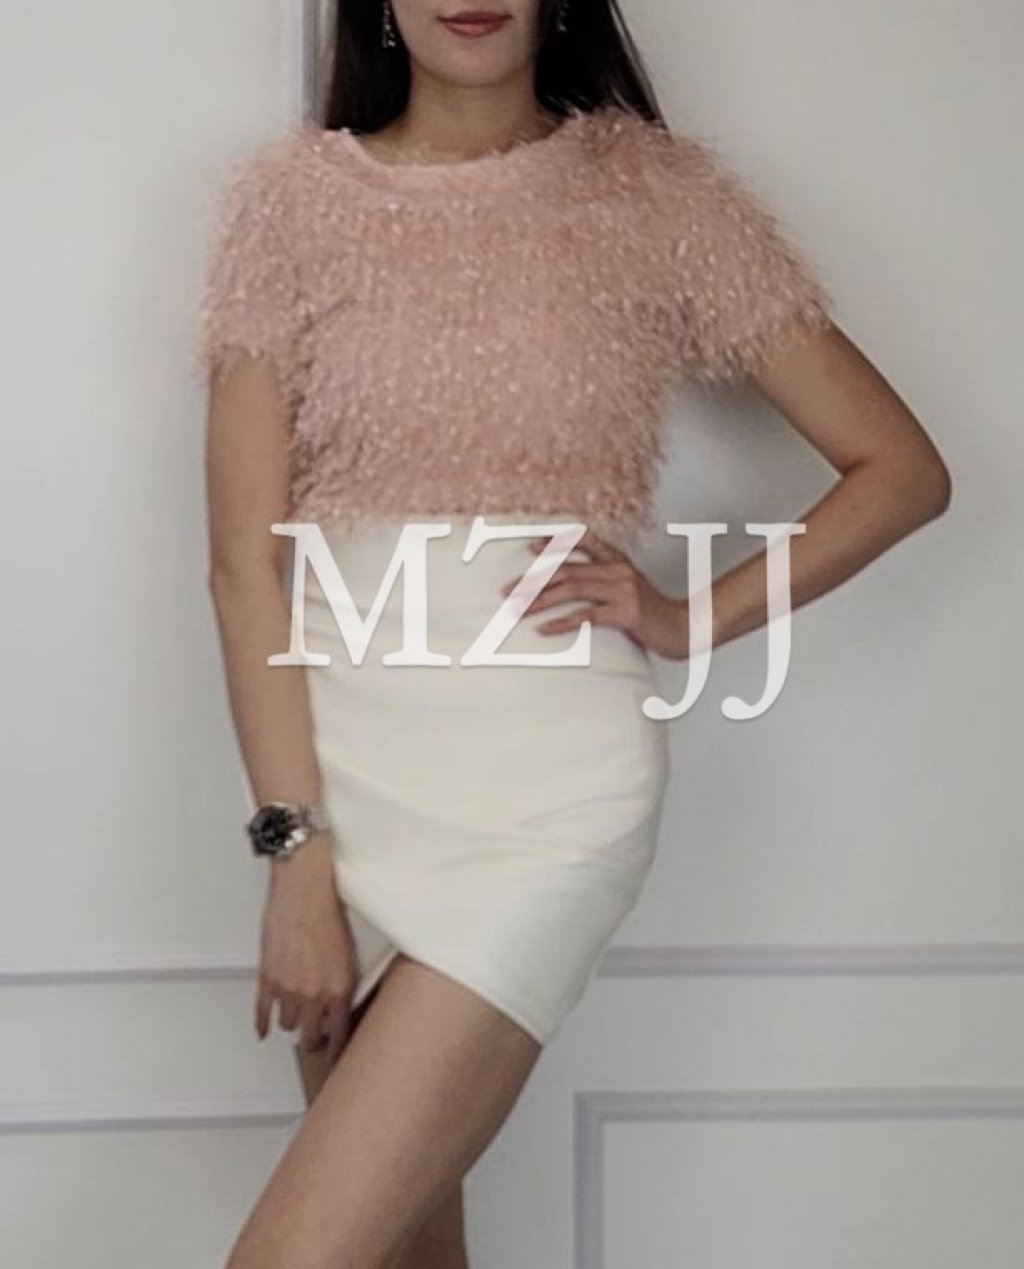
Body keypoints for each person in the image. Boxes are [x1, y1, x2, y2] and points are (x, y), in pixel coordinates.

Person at [198, 2, 951, 1266]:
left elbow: (901, 471)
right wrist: (296, 857)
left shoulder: (652, 197)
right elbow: (240, 569)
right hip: (345, 782)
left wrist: (685, 618)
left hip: (546, 794)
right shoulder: (291, 208)